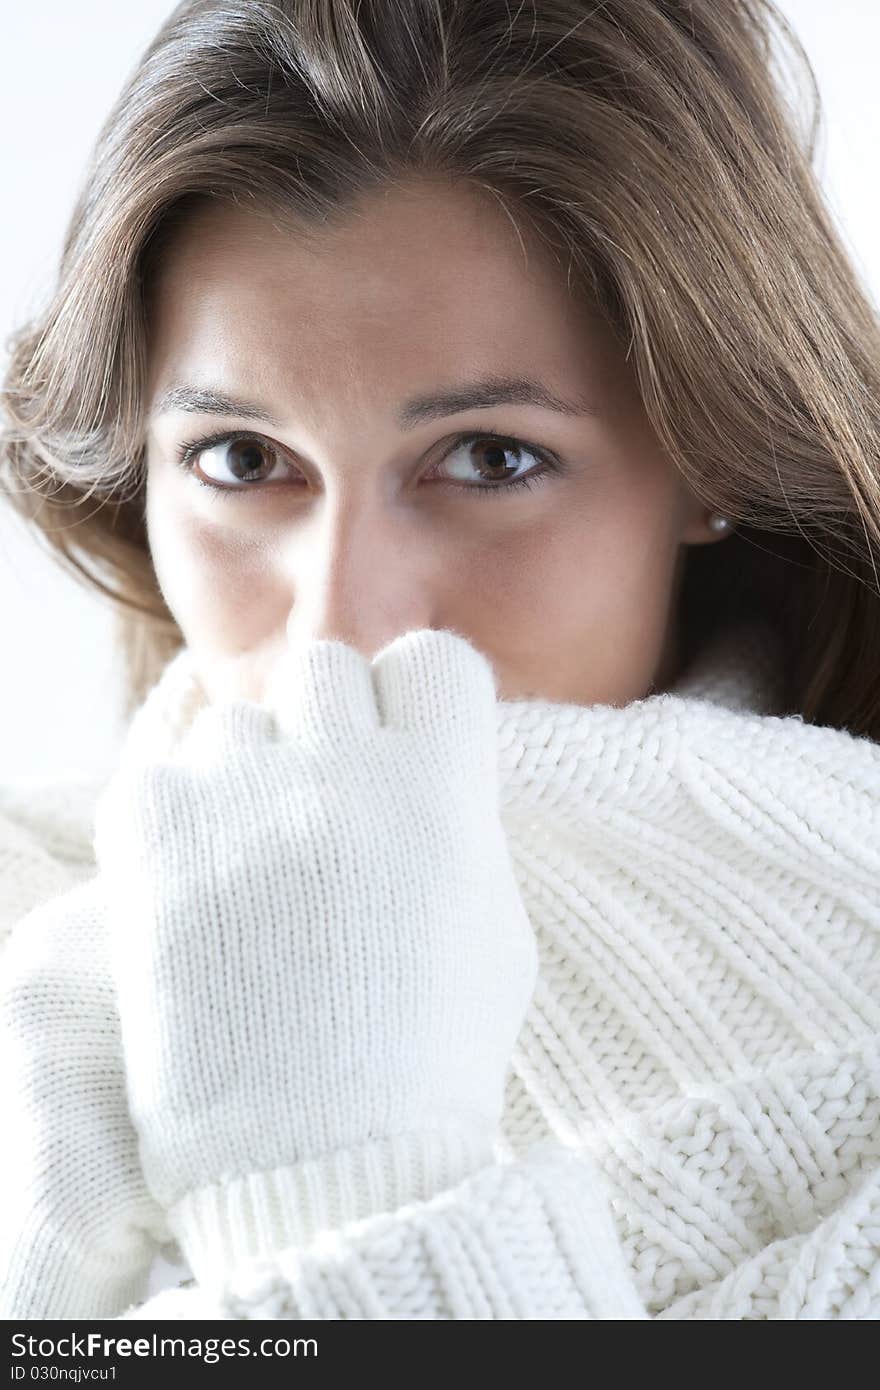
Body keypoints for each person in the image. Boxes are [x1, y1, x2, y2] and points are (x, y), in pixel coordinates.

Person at [1, 0, 879, 1320]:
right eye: (244, 462)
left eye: (489, 459)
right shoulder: (42, 952)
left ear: (713, 455)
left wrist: (332, 1169)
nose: (339, 624)